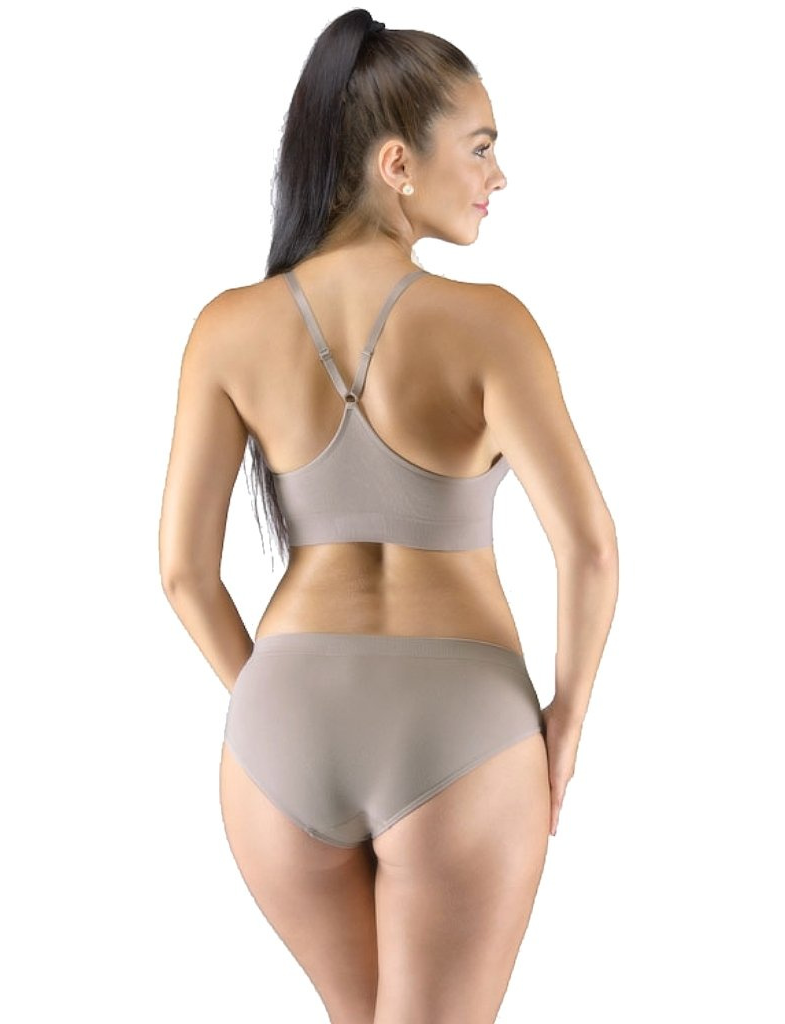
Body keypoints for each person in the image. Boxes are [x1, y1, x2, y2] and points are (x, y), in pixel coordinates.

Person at [159, 9, 619, 1024]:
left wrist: (272, 705)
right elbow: (587, 546)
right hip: (460, 721)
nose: (499, 176)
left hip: (280, 729)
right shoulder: (490, 326)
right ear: (397, 164)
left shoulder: (226, 329)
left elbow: (184, 574)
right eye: (481, 148)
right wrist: (567, 719)